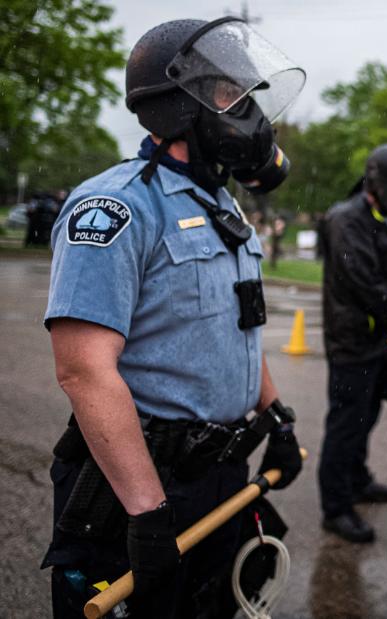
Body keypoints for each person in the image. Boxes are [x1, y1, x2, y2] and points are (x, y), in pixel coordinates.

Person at [40, 18, 305, 618]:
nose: (249, 114)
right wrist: (146, 508)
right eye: (228, 95)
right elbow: (83, 371)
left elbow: (237, 328)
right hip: (139, 484)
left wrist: (275, 416)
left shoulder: (222, 205)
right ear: (177, 106)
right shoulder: (115, 208)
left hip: (219, 478)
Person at [317, 144, 387, 543]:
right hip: (352, 342)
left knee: (366, 417)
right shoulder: (347, 219)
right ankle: (336, 507)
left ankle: (357, 480)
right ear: (380, 184)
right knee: (346, 424)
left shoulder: (383, 218)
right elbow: (361, 281)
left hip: (379, 340)